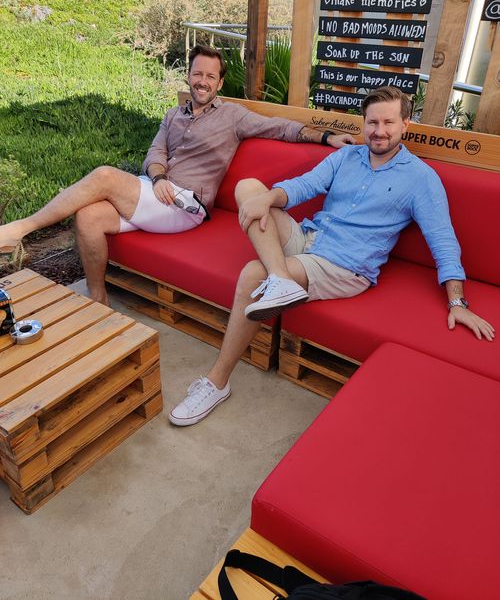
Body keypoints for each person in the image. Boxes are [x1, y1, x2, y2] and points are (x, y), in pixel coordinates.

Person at [169, 85, 495, 427]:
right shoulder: (347, 156)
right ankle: (281, 278)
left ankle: (217, 382)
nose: (379, 131)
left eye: (388, 123)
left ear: (405, 124)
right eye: (372, 122)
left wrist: (457, 302)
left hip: (344, 265)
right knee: (248, 189)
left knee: (253, 273)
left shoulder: (421, 178)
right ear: (364, 122)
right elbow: (305, 185)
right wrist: (269, 198)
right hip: (310, 238)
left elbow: (443, 241)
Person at [0, 44, 353, 305]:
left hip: (188, 206)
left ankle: (19, 229)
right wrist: (158, 178)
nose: (203, 82)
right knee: (89, 216)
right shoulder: (174, 115)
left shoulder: (233, 116)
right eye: (198, 74)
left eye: (210, 76)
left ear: (220, 83)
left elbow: (282, 128)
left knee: (105, 175)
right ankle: (99, 297)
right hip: (158, 192)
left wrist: (325, 137)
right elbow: (155, 154)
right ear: (189, 75)